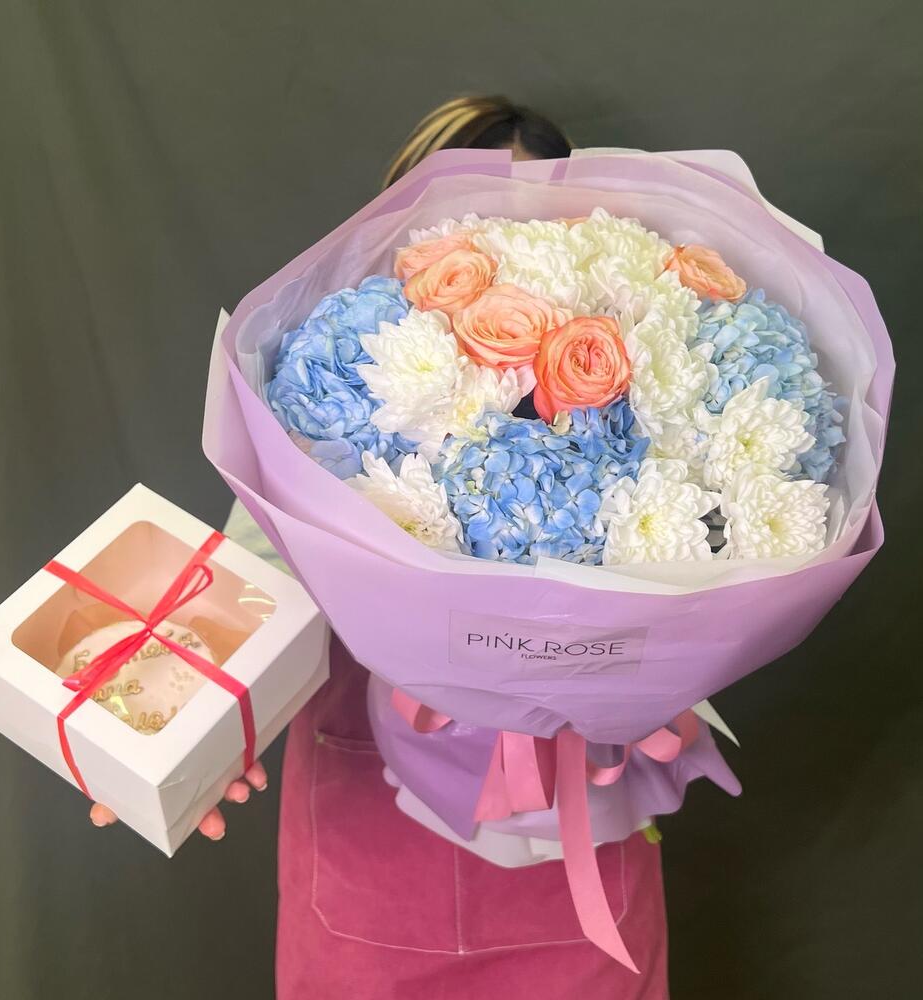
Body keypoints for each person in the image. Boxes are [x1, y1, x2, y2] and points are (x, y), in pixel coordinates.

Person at [93, 96, 669, 999]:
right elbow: (256, 574)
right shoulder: (336, 387)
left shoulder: (654, 390)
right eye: (467, 219)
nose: (501, 252)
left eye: (530, 219)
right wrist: (168, 732)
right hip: (375, 859)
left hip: (580, 853)